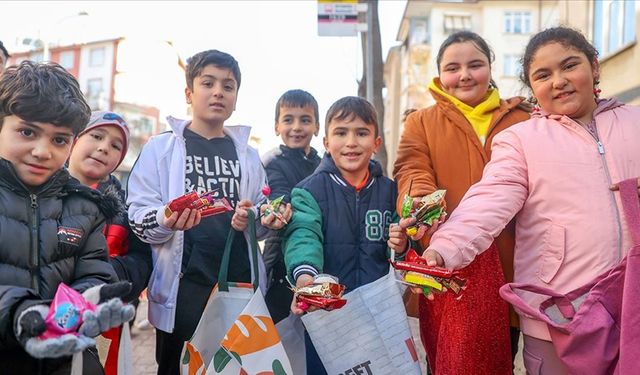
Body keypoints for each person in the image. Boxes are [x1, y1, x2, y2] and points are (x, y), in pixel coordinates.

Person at [419, 26, 640, 374]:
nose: (559, 81)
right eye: (543, 74)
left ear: (594, 66)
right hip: (556, 314)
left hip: (634, 308)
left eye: (570, 65)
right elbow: (488, 201)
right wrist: (443, 249)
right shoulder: (520, 140)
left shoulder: (635, 122)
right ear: (532, 87)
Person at [126, 49, 289, 374]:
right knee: (178, 368)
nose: (218, 92)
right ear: (189, 93)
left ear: (236, 98)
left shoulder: (248, 155)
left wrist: (260, 218)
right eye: (208, 83)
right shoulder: (162, 149)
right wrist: (166, 218)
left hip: (239, 285)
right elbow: (139, 219)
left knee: (236, 367)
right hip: (184, 286)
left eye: (228, 86)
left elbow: (260, 216)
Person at [393, 31, 531, 375]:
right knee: (446, 360)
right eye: (453, 68)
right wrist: (423, 203)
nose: (465, 75)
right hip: (445, 263)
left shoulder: (524, 119)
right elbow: (411, 167)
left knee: (503, 357)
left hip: (513, 261)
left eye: (475, 65)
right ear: (440, 74)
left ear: (490, 67)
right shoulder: (421, 122)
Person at [0, 61, 134, 374]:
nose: (42, 151)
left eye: (59, 139)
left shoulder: (84, 206)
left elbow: (96, 272)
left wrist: (87, 301)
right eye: (28, 132)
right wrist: (22, 313)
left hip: (68, 359)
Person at [283, 96, 406, 375]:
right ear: (326, 142)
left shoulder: (391, 192)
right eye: (341, 133)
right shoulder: (308, 191)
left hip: (380, 313)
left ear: (376, 142)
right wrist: (306, 278)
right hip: (328, 316)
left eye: (361, 133)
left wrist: (402, 242)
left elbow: (404, 245)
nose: (351, 142)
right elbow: (303, 235)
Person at [67, 110, 153, 375]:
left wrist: (107, 276)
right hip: (48, 317)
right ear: (74, 140)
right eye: (96, 136)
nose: (104, 147)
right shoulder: (43, 193)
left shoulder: (125, 208)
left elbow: (143, 260)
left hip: (106, 324)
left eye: (116, 145)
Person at [262, 89, 322, 323]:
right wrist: (281, 208)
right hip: (280, 255)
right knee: (279, 322)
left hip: (316, 248)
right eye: (288, 120)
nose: (296, 127)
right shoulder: (272, 161)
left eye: (305, 120)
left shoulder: (322, 164)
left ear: (317, 127)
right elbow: (278, 194)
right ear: (277, 126)